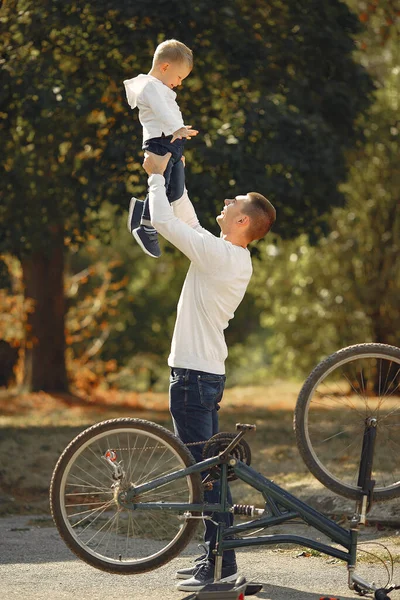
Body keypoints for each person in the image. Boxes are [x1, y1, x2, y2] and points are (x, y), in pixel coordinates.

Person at [142, 151, 276, 593]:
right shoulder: (226, 254)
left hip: (195, 379)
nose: (226, 202)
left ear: (243, 221)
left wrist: (156, 177)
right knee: (207, 473)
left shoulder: (221, 257)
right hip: (201, 375)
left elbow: (164, 221)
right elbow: (187, 216)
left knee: (205, 476)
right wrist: (175, 159)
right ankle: (213, 559)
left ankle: (221, 567)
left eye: (233, 202)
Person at [124, 39, 198, 258]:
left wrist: (180, 131)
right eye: (179, 77)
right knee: (162, 183)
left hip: (173, 140)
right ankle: (146, 225)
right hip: (160, 140)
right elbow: (161, 112)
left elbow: (170, 113)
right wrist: (177, 128)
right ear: (165, 67)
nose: (180, 83)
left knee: (175, 190)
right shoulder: (149, 86)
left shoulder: (161, 88)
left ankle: (140, 210)